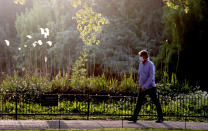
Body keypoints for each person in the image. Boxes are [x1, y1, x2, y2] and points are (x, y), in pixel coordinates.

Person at [126, 50, 163, 123]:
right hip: (142, 87)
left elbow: (151, 77)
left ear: (145, 56)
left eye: (141, 56)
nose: (140, 57)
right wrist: (140, 85)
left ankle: (160, 118)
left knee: (156, 102)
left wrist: (145, 86)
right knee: (139, 102)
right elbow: (140, 75)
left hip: (150, 87)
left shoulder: (150, 64)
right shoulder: (140, 64)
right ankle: (134, 117)